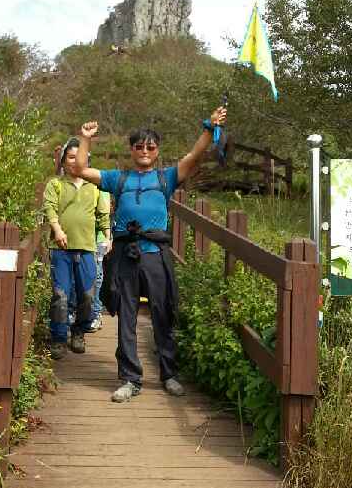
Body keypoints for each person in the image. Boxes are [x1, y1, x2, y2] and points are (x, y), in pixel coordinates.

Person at [73, 106, 227, 402]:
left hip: (155, 254)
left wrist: (209, 127)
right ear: (131, 149)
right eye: (139, 146)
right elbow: (80, 169)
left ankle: (169, 375)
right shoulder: (118, 179)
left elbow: (194, 155)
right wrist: (85, 139)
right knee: (126, 317)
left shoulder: (166, 177)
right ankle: (130, 379)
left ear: (157, 151)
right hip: (125, 255)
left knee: (162, 314)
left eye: (150, 147)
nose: (144, 151)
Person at [43, 138, 111, 360]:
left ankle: (79, 332)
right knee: (60, 296)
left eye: (78, 157)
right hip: (61, 248)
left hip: (87, 249)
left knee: (87, 295)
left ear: (86, 161)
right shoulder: (55, 184)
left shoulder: (95, 187)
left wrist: (108, 237)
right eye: (70, 157)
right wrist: (57, 230)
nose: (74, 161)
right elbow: (50, 209)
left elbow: (103, 215)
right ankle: (58, 338)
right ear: (63, 161)